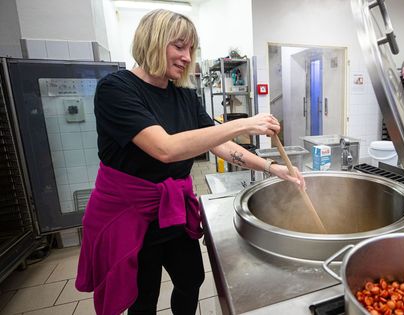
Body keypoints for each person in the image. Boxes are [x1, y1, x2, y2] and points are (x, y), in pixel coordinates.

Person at [75, 9, 304, 315]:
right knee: (141, 298)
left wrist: (270, 167)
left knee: (191, 279)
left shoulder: (183, 95)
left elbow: (219, 143)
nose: (187, 57)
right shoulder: (116, 89)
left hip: (172, 211)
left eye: (192, 49)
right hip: (129, 213)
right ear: (153, 41)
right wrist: (245, 123)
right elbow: (165, 148)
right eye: (179, 46)